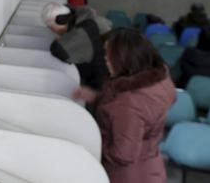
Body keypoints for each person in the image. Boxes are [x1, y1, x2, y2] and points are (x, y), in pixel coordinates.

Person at [74, 29, 176, 183]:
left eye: (109, 56)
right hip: (150, 165)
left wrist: (92, 141)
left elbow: (122, 154)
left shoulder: (129, 101)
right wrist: (97, 98)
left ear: (124, 59)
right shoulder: (154, 81)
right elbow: (138, 116)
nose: (105, 60)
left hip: (127, 176)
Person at [41, 2, 109, 90]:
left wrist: (61, 37)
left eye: (51, 28)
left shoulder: (83, 32)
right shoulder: (83, 15)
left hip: (97, 85)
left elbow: (57, 49)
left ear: (59, 24)